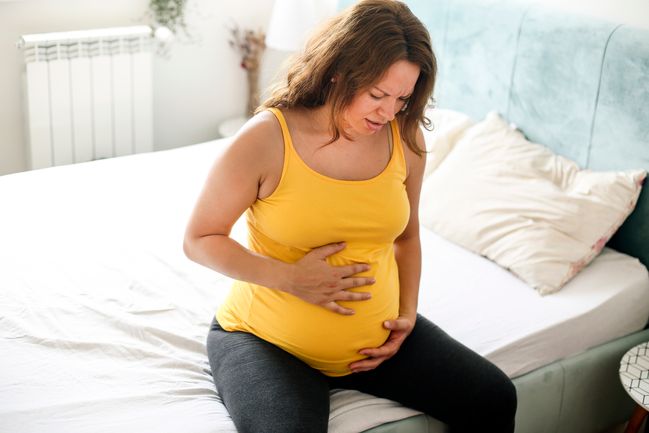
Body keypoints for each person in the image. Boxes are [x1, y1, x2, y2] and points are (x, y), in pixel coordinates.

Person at [183, 0, 517, 431]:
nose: (388, 112)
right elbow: (199, 239)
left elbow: (408, 237)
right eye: (377, 95)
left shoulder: (406, 136)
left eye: (402, 98)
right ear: (338, 72)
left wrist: (408, 314)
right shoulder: (268, 137)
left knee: (494, 397)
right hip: (265, 339)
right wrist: (291, 278)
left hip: (375, 344)